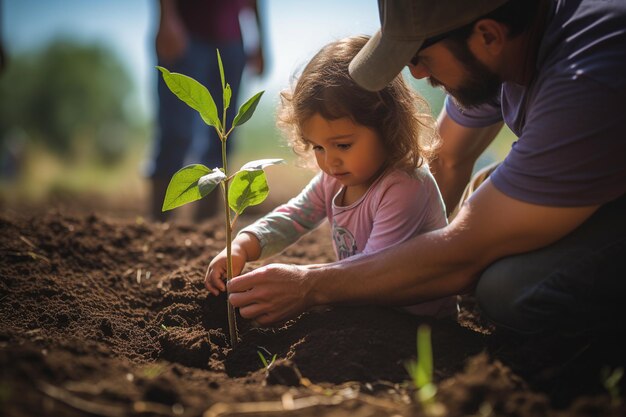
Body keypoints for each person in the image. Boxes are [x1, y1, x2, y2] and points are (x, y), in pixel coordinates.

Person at [224, 0, 626, 345]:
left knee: (507, 288)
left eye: (420, 55)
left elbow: (464, 254)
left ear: (487, 36)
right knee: (490, 197)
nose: (415, 73)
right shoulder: (505, 53)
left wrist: (309, 287)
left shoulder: (588, 77)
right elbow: (447, 159)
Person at [205, 35, 457, 319]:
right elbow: (294, 216)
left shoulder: (405, 186)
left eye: (343, 145)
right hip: (364, 312)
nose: (330, 160)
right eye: (318, 147)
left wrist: (303, 283)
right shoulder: (336, 178)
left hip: (419, 324)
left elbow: (374, 270)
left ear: (387, 125)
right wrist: (243, 244)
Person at [148, 0, 265, 222]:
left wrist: (261, 40)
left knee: (223, 132)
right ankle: (158, 224)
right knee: (176, 130)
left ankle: (206, 225)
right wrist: (166, 17)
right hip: (186, 32)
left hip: (232, 40)